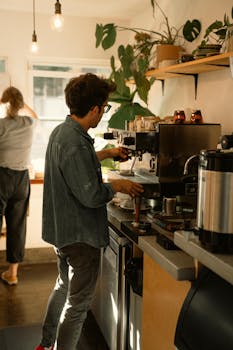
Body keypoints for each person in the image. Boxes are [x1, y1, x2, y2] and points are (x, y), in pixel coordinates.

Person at [35, 73, 144, 350]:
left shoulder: (63, 132)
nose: (102, 114)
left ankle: (46, 343)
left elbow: (76, 164)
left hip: (63, 231)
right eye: (104, 108)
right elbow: (91, 195)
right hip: (80, 236)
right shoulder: (75, 141)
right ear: (94, 108)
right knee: (78, 305)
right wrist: (117, 185)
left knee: (62, 286)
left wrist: (106, 154)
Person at [0, 86, 38, 285]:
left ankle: (11, 273)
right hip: (22, 178)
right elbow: (35, 114)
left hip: (2, 176)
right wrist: (21, 104)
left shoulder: (1, 124)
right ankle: (12, 274)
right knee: (17, 225)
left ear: (5, 103)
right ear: (21, 103)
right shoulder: (29, 122)